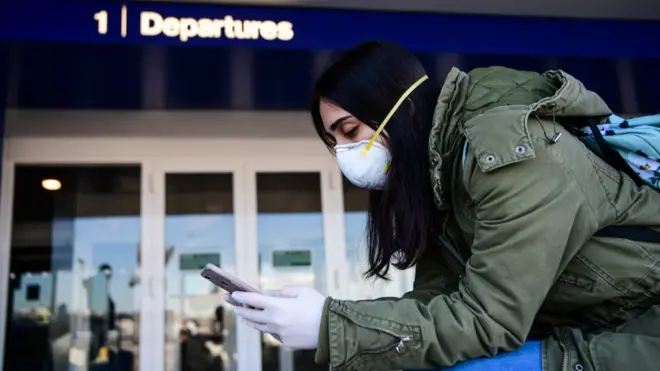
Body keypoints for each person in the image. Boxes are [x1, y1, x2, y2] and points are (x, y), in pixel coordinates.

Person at [226, 41, 660, 371]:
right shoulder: (438, 179)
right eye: (333, 141)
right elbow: (438, 299)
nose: (343, 152)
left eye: (350, 129)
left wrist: (329, 325)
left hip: (642, 329)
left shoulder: (509, 157)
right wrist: (329, 316)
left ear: (403, 107)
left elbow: (487, 320)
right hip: (594, 327)